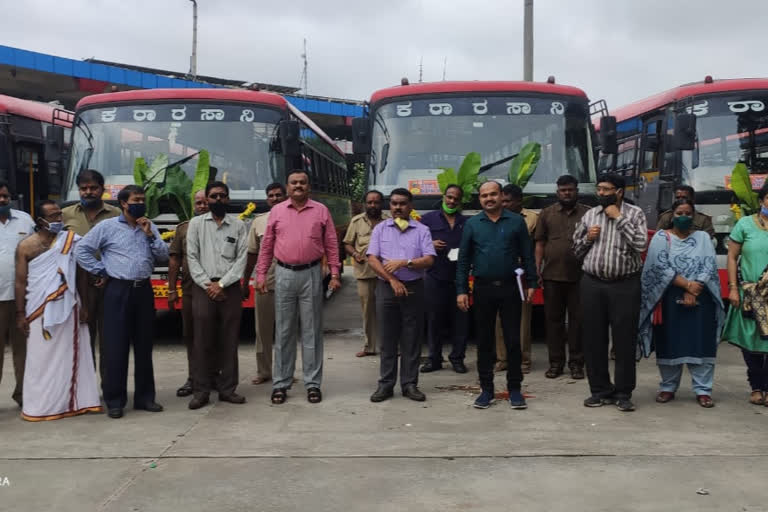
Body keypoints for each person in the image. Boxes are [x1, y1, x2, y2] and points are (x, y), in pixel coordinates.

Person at [75, 184, 168, 419]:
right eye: (136, 200)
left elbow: (164, 255)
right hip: (117, 290)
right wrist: (101, 270)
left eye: (143, 199)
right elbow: (82, 250)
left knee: (144, 346)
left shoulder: (149, 226)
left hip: (143, 290)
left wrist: (149, 235)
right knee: (115, 347)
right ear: (124, 203)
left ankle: (145, 397)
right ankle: (115, 400)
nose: (141, 203)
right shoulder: (107, 227)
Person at [256, 170, 341, 405]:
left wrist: (334, 272)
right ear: (288, 187)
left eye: (302, 182)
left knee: (312, 331)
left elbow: (331, 244)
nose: (298, 186)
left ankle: (313, 384)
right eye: (294, 183)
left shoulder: (321, 211)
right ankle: (281, 384)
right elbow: (266, 246)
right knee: (283, 331)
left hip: (312, 273)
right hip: (283, 273)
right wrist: (261, 274)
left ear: (308, 186)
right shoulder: (277, 211)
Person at [15, 200, 102, 421]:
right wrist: (20, 313)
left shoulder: (71, 241)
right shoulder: (26, 246)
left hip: (70, 305)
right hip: (37, 308)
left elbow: (81, 274)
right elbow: (20, 282)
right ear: (40, 221)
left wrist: (84, 304)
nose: (58, 220)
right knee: (40, 357)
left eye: (59, 216)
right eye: (53, 216)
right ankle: (40, 406)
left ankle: (74, 402)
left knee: (70, 353)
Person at [457, 181, 537, 410]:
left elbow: (527, 254)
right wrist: (461, 290)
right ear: (479, 199)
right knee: (484, 342)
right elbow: (463, 261)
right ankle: (487, 390)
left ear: (502, 196)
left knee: (513, 341)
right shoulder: (473, 224)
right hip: (482, 289)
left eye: (493, 194)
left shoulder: (515, 222)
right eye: (484, 196)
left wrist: (532, 281)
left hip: (510, 287)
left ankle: (514, 390)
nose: (489, 199)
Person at [639, 198, 724, 408]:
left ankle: (703, 390)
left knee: (701, 342)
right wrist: (686, 285)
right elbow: (659, 267)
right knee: (670, 342)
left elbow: (709, 265)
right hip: (669, 297)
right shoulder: (661, 237)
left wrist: (695, 288)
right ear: (672, 216)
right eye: (679, 213)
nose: (683, 217)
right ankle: (668, 387)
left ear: (693, 216)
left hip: (701, 296)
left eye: (688, 213)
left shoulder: (703, 237)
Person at [573, 174, 647, 412]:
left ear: (619, 192)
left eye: (606, 189)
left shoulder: (635, 214)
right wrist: (587, 238)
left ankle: (624, 392)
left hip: (625, 285)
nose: (601, 193)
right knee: (594, 339)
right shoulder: (590, 215)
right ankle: (599, 390)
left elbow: (640, 245)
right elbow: (575, 250)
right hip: (593, 283)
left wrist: (618, 218)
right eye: (599, 189)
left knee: (625, 340)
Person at [367, 188, 436, 402]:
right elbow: (372, 258)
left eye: (403, 203)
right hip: (387, 288)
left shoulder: (422, 230)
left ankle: (409, 384)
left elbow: (429, 259)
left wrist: (406, 263)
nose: (398, 207)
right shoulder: (380, 229)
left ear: (410, 206)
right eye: (394, 203)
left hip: (414, 287)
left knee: (412, 338)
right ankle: (386, 385)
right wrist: (392, 280)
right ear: (390, 206)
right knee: (388, 338)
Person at [186, 181, 249, 409]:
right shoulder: (195, 224)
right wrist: (209, 285)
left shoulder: (238, 226)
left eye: (222, 196)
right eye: (214, 196)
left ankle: (227, 389)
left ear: (228, 199)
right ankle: (201, 391)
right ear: (208, 199)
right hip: (203, 289)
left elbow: (242, 259)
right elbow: (191, 257)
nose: (218, 200)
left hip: (229, 289)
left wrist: (222, 284)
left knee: (230, 340)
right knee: (202, 340)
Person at [62, 169, 121, 383]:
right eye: (84, 188)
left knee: (110, 339)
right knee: (83, 338)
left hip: (110, 281)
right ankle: (85, 391)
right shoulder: (66, 214)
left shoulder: (116, 214)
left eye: (93, 188)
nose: (88, 192)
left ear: (102, 190)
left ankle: (110, 389)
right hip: (77, 283)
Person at [534, 175, 589, 379]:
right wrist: (537, 269)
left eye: (570, 189)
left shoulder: (588, 214)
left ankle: (577, 364)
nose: (567, 193)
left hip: (581, 277)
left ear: (577, 190)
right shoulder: (547, 214)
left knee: (578, 322)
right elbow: (539, 243)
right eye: (563, 190)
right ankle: (556, 363)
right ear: (557, 192)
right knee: (553, 322)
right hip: (552, 276)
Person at [721, 183, 768, 405]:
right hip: (750, 294)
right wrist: (732, 288)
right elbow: (732, 257)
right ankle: (756, 386)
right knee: (751, 343)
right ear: (761, 201)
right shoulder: (745, 225)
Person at [419, 184, 469, 374]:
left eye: (456, 198)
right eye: (449, 197)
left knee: (460, 320)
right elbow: (414, 243)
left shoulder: (466, 222)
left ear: (460, 201)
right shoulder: (427, 220)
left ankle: (457, 358)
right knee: (434, 320)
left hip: (459, 278)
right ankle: (434, 359)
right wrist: (430, 244)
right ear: (443, 197)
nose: (452, 201)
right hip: (434, 276)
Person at [243, 182, 287, 385]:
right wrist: (246, 281)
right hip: (265, 281)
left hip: (291, 280)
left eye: (279, 195)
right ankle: (264, 371)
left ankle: (285, 370)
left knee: (287, 328)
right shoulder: (259, 222)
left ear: (285, 197)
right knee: (263, 328)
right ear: (267, 199)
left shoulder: (295, 219)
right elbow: (252, 254)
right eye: (271, 195)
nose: (275, 198)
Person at [167, 190, 209, 397]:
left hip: (214, 290)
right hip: (190, 290)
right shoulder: (184, 229)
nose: (202, 206)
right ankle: (193, 378)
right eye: (198, 202)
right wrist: (172, 288)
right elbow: (174, 260)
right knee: (191, 335)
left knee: (214, 334)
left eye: (205, 202)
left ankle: (214, 376)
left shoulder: (221, 226)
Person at [494, 184, 538, 374]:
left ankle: (523, 360)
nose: (503, 204)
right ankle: (503, 359)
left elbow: (537, 247)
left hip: (522, 273)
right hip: (500, 272)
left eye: (507, 201)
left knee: (523, 319)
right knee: (499, 319)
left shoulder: (532, 219)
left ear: (519, 201)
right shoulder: (495, 217)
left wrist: (533, 273)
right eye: (501, 201)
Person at [0, 180, 35, 407]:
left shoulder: (25, 220)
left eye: (5, 196)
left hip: (23, 298)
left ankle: (24, 396)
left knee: (24, 351)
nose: (2, 200)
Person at [343, 189, 387, 358]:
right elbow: (347, 243)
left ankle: (390, 346)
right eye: (369, 202)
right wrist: (354, 254)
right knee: (368, 312)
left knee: (388, 311)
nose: (373, 205)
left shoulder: (389, 222)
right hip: (365, 274)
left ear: (381, 204)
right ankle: (369, 346)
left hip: (386, 275)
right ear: (365, 204)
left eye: (376, 202)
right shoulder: (356, 222)